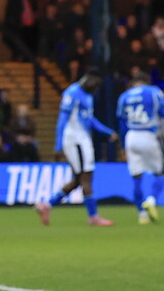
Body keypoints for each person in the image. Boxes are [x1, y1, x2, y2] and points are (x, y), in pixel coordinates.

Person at [35, 69, 118, 227]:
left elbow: (89, 119)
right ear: (89, 79)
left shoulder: (88, 95)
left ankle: (47, 205)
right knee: (86, 177)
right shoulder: (72, 93)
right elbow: (62, 119)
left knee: (79, 179)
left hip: (83, 139)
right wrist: (58, 145)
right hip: (75, 140)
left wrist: (107, 132)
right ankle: (93, 216)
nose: (96, 88)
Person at [116, 71, 164, 224]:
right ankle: (151, 200)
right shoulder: (153, 92)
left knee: (136, 176)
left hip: (131, 136)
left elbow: (121, 122)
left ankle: (142, 215)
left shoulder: (124, 96)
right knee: (161, 171)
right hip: (148, 134)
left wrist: (123, 146)